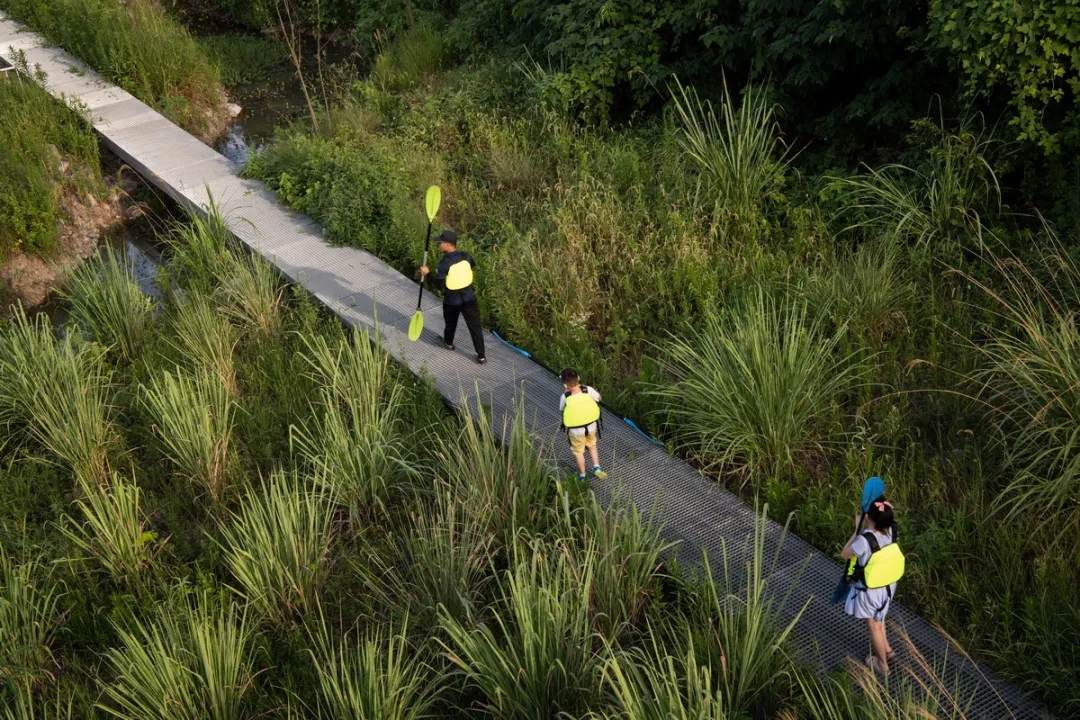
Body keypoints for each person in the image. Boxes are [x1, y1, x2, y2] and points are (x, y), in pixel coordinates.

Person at [840, 498, 905, 676]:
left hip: (871, 590)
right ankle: (888, 650)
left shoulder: (864, 540)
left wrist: (856, 532)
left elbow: (845, 554)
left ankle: (882, 665)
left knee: (874, 626)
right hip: (889, 586)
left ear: (867, 517)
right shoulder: (892, 531)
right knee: (880, 616)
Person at [420, 229, 486, 364]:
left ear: (448, 244)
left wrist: (427, 274)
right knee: (475, 327)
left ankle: (449, 344)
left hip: (452, 301)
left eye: (441, 242)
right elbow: (471, 266)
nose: (439, 245)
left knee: (450, 324)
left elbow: (439, 285)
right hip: (469, 297)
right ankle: (481, 356)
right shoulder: (465, 256)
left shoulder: (444, 263)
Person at [559, 368, 608, 482]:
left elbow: (562, 409)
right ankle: (597, 467)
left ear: (565, 385)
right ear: (579, 378)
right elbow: (599, 398)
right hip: (591, 426)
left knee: (579, 452)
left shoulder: (565, 396)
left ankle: (582, 475)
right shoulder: (588, 390)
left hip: (576, 430)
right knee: (592, 444)